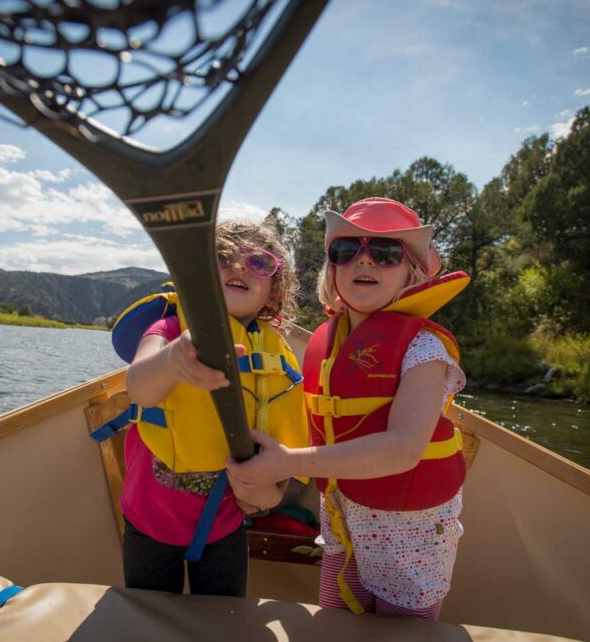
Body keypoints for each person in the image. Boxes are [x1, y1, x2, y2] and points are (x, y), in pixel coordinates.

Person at [226, 197, 470, 620]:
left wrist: (286, 465)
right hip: (343, 519)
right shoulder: (327, 343)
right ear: (333, 270)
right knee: (336, 618)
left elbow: (403, 449)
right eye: (346, 251)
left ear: (411, 272)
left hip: (409, 535)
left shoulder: (424, 348)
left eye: (385, 253)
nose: (365, 262)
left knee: (399, 633)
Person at [92, 219, 308, 597]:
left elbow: (281, 442)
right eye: (223, 258)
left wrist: (269, 496)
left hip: (223, 527)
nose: (239, 267)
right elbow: (139, 387)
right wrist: (174, 360)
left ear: (274, 294)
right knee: (154, 619)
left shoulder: (275, 354)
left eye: (259, 262)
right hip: (149, 524)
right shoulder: (170, 328)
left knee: (223, 619)